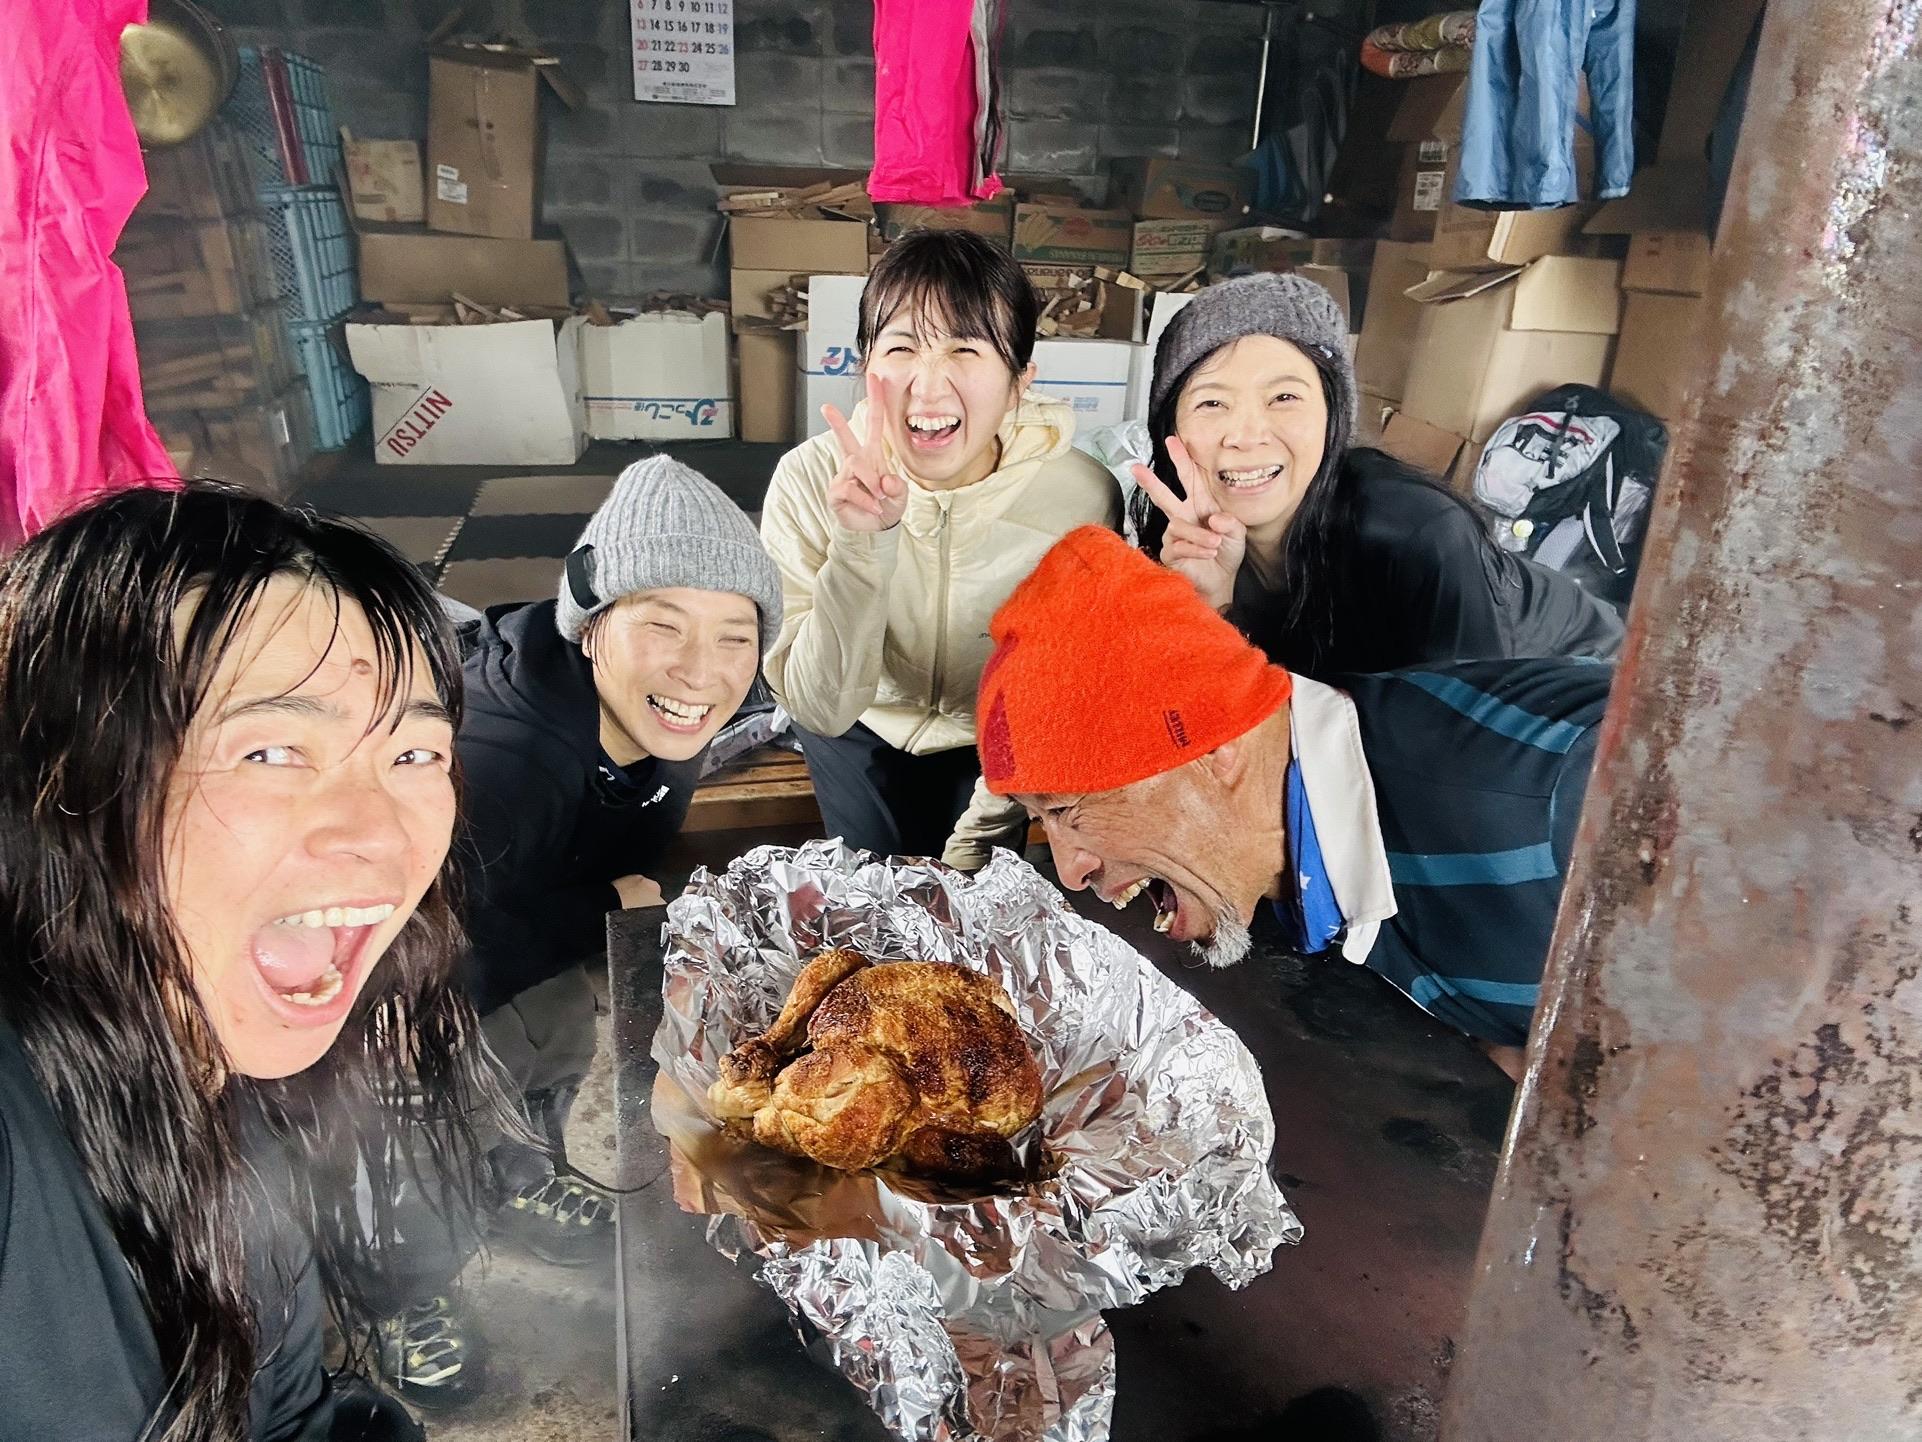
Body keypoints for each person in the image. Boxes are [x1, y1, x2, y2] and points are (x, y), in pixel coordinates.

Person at [0, 482, 512, 1440]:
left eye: (414, 756)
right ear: (55, 780)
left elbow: (280, 1417)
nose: (379, 835)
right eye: (271, 751)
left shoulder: (221, 1079)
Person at [369, 455, 780, 1404]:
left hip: (530, 938)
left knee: (544, 1060)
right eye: (662, 624)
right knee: (409, 1134)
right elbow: (398, 944)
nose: (700, 670)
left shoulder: (672, 713)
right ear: (590, 627)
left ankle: (513, 1179)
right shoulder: (507, 763)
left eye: (734, 635)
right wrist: (608, 913)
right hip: (411, 989)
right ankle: (402, 1291)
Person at [978, 526, 1614, 1079]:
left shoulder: (1575, 795)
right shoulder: (1282, 845)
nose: (1071, 871)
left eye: (1067, 810)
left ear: (1213, 749)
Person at [759, 228, 1121, 870]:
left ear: (1020, 379)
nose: (928, 388)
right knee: (873, 900)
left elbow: (1054, 697)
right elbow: (820, 704)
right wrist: (862, 545)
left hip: (992, 741)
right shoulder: (808, 481)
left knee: (974, 912)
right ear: (866, 363)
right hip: (858, 723)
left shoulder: (1079, 497)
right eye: (901, 347)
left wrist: (974, 846)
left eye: (965, 349)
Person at [1132, 271, 1623, 676]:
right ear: (1170, 428)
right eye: (1212, 403)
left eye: (1284, 398)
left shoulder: (1417, 534)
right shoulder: (1182, 541)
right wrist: (1212, 603)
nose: (1246, 435)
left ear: (1333, 416)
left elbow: (1456, 747)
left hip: (1577, 691)